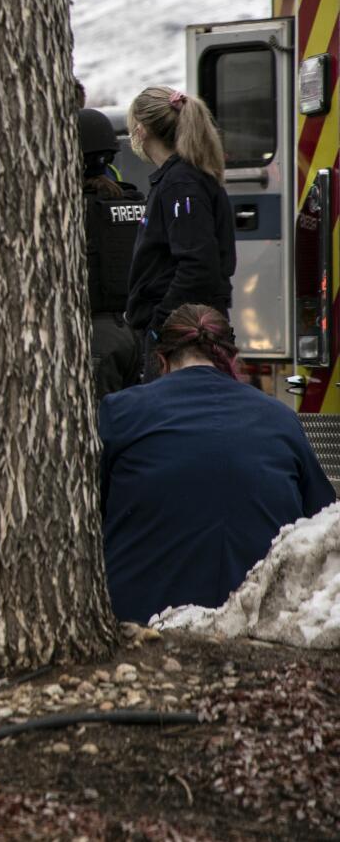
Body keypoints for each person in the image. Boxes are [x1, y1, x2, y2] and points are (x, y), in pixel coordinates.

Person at [101, 305, 334, 625]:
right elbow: (323, 519)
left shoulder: (120, 412)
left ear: (161, 362)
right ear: (231, 359)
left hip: (140, 618)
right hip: (253, 618)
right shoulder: (280, 419)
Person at [124, 86, 235, 379]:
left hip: (180, 339)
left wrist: (160, 323)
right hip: (186, 329)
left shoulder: (180, 185)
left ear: (141, 129)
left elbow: (197, 264)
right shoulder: (185, 179)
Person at [80, 108, 146, 398]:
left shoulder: (75, 211)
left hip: (96, 334)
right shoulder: (134, 200)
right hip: (134, 332)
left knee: (97, 428)